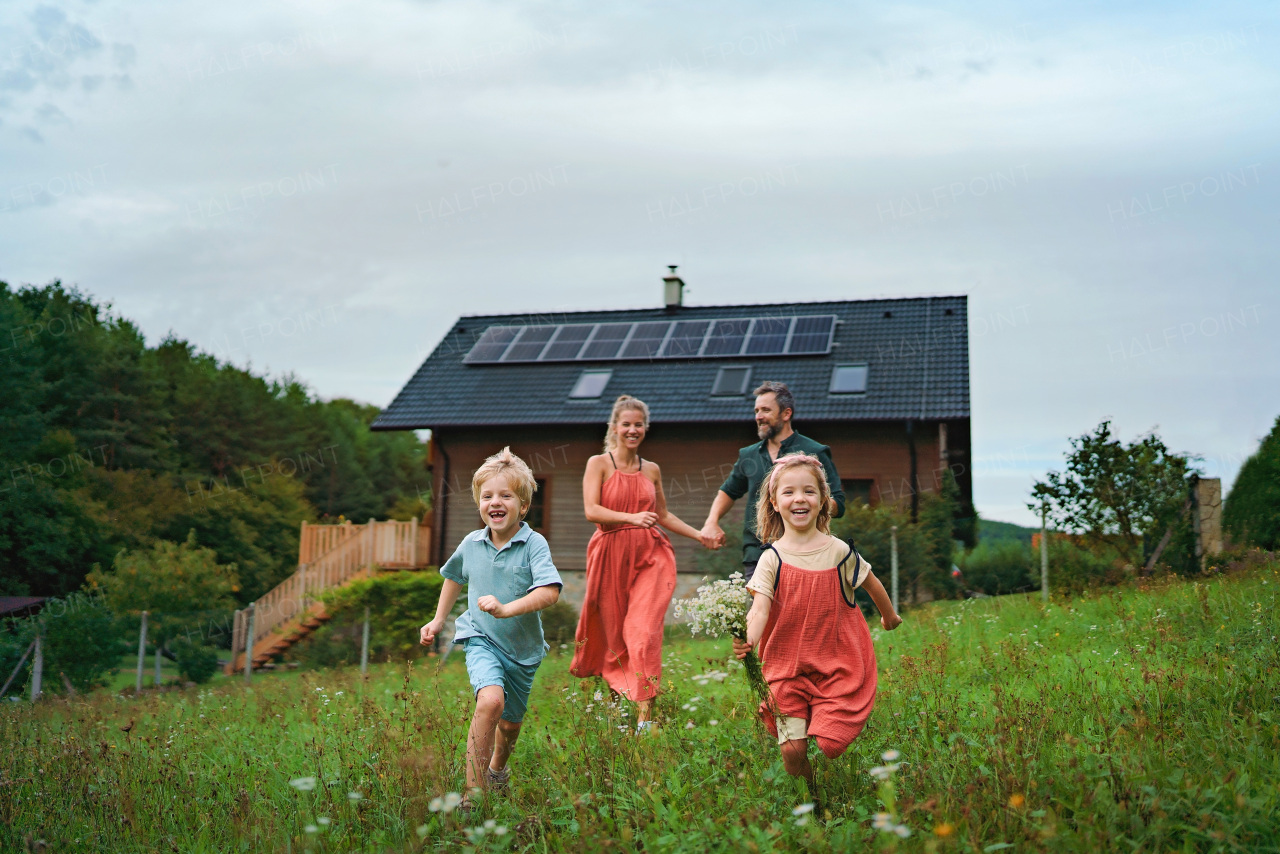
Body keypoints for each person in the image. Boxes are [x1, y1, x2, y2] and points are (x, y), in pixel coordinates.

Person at [732, 453, 901, 790]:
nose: (799, 498)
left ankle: (828, 759)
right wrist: (749, 639)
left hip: (834, 664)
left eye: (809, 491)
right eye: (789, 492)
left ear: (824, 500)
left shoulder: (839, 551)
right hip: (785, 666)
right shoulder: (771, 557)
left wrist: (889, 616)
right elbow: (760, 608)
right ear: (774, 502)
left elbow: (871, 582)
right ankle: (811, 804)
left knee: (830, 742)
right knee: (793, 751)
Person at [420, 447, 562, 810]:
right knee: (490, 701)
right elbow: (453, 577)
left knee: (510, 726)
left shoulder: (533, 544)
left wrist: (506, 609)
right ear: (479, 503)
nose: (495, 502)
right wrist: (438, 620)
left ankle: (498, 770)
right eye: (487, 496)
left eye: (505, 495)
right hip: (480, 638)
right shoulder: (471, 543)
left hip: (524, 651)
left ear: (523, 506)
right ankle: (472, 794)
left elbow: (549, 592)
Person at [570, 395, 707, 731]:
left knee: (643, 633)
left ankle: (646, 720)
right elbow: (592, 511)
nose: (633, 430)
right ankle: (614, 712)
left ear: (645, 428)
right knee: (612, 636)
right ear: (615, 428)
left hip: (649, 555)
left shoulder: (652, 469)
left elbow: (661, 515)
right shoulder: (599, 463)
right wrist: (631, 518)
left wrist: (699, 535)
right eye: (626, 424)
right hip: (609, 556)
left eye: (638, 425)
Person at [700, 381, 846, 580]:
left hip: (804, 552)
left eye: (766, 410)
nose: (759, 417)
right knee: (759, 611)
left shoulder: (815, 452)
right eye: (756, 411)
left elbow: (838, 502)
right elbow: (728, 491)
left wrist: (809, 504)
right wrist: (711, 522)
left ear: (786, 414)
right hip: (757, 553)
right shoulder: (748, 455)